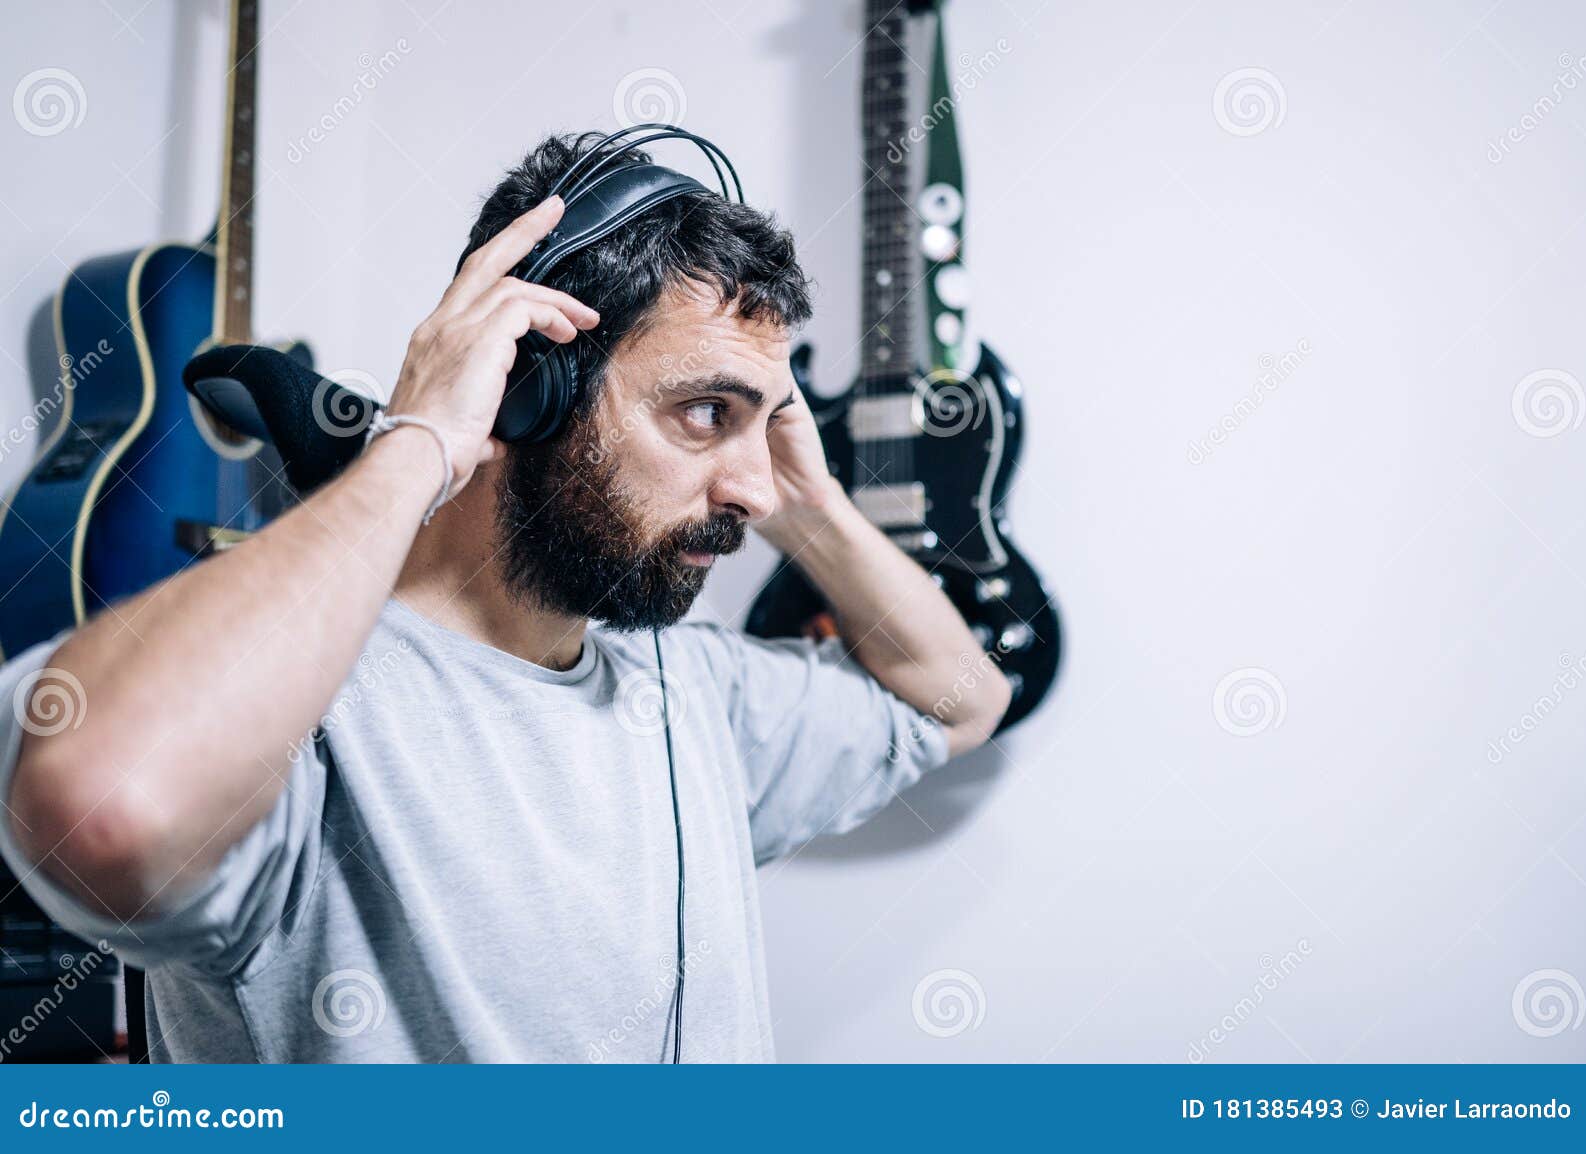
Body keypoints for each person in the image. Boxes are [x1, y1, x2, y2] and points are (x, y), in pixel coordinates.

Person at [0, 132, 1010, 1062]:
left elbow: (964, 695)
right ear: (526, 388)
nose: (750, 488)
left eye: (765, 424)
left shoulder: (700, 699)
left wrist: (814, 503)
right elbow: (104, 801)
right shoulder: (305, 718)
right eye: (707, 411)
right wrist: (424, 440)